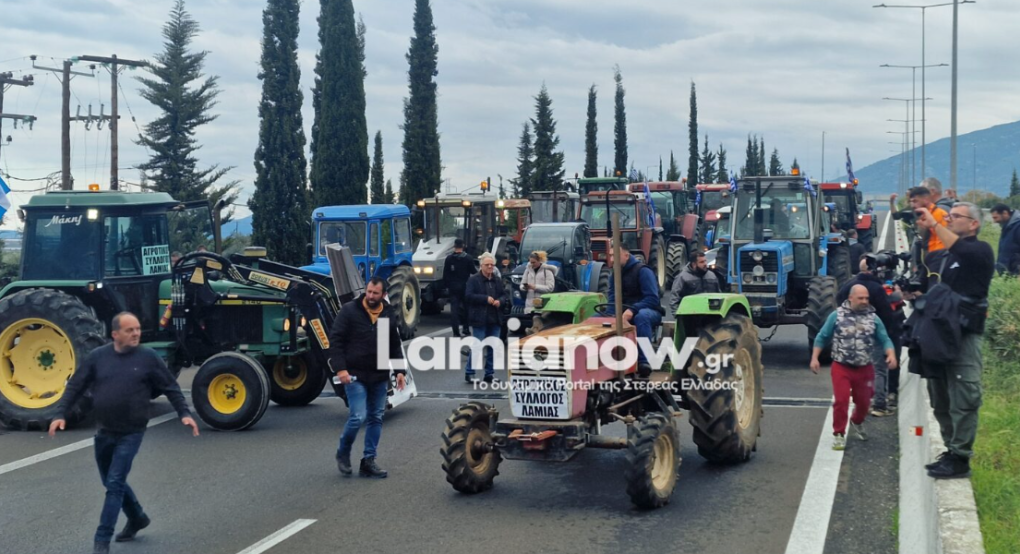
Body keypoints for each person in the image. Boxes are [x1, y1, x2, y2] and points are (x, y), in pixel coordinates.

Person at [49, 312, 199, 554]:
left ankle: (102, 540)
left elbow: (170, 386)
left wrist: (184, 413)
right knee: (109, 481)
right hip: (105, 431)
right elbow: (76, 385)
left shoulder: (148, 357)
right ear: (115, 334)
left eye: (138, 329)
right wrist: (59, 414)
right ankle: (138, 517)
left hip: (132, 432)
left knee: (115, 484)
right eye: (130, 330)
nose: (136, 334)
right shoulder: (98, 357)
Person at [912, 202, 995, 478]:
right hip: (939, 334)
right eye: (948, 216)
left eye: (955, 216)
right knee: (941, 396)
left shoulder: (979, 250)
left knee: (964, 395)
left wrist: (935, 224)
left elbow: (962, 249)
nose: (949, 219)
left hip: (965, 334)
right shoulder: (945, 256)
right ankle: (950, 449)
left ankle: (961, 457)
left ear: (973, 224)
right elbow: (927, 277)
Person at [328, 276, 407, 479]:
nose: (370, 296)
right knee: (357, 416)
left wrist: (400, 371)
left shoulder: (388, 313)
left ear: (384, 295)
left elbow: (394, 344)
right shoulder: (350, 311)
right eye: (369, 291)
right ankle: (343, 452)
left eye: (375, 293)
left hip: (379, 375)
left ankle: (368, 461)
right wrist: (340, 369)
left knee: (376, 417)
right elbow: (335, 340)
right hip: (355, 375)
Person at [811, 285, 898, 451]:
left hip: (865, 368)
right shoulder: (837, 316)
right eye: (861, 298)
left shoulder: (874, 319)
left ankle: (857, 420)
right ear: (851, 298)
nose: (864, 301)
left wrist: (891, 354)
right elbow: (822, 336)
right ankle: (838, 434)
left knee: (864, 403)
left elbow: (885, 339)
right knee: (841, 400)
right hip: (841, 366)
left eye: (866, 298)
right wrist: (815, 358)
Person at [839, 256, 903, 416]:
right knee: (879, 369)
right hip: (874, 333)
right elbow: (886, 313)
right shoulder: (876, 288)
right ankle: (879, 405)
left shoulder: (849, 285)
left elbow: (838, 299)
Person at [606, 242, 663, 377]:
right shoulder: (615, 274)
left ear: (626, 255)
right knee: (596, 318)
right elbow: (612, 297)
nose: (612, 259)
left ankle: (644, 361)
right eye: (611, 256)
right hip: (625, 311)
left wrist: (632, 310)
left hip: (649, 310)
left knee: (641, 317)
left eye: (615, 256)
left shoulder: (643, 271)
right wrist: (609, 314)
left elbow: (652, 299)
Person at [464, 253, 507, 383]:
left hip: (495, 318)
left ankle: (489, 374)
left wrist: (500, 301)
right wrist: (485, 299)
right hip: (479, 318)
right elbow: (468, 296)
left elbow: (504, 295)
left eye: (492, 265)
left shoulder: (497, 280)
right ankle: (469, 372)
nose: (490, 267)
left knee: (493, 347)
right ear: (481, 266)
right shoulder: (474, 280)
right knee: (477, 345)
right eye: (487, 265)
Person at [442, 238, 476, 337]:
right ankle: (466, 329)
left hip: (453, 287)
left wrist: (447, 286)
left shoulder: (449, 259)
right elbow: (473, 271)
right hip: (465, 286)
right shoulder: (468, 258)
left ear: (454, 246)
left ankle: (455, 332)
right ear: (463, 246)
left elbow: (445, 275)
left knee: (454, 310)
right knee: (466, 308)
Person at [907, 186, 949, 255]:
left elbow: (944, 240)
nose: (912, 205)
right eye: (911, 202)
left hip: (937, 257)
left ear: (926, 200)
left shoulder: (939, 214)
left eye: (915, 201)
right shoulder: (923, 215)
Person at [990, 204, 1020, 275]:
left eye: (995, 217)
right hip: (1007, 273)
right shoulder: (1007, 227)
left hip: (1015, 274)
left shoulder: (1018, 227)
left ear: (1005, 213)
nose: (994, 221)